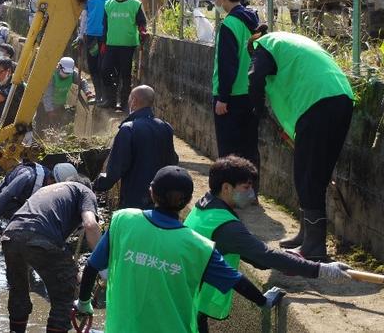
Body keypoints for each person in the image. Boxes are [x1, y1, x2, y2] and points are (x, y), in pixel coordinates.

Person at [77, 166, 285, 333]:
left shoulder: (124, 221)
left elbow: (92, 267)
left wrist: (84, 303)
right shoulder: (199, 246)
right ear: (187, 200)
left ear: (152, 191)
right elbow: (236, 280)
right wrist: (264, 301)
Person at [184, 155, 352, 332]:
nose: (251, 193)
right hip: (189, 303)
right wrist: (322, 270)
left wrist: (288, 262)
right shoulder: (225, 225)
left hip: (185, 292)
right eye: (246, 187)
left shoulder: (204, 207)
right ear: (226, 187)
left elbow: (253, 255)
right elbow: (264, 255)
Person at [249, 28, 354, 260]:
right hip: (341, 99)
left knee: (307, 175)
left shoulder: (263, 46)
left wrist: (256, 108)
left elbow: (255, 76)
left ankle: (314, 247)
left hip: (317, 103)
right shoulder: (290, 43)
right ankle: (307, 236)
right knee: (315, 174)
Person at [2, 174, 101, 333]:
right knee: (63, 300)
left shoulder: (48, 190)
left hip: (11, 235)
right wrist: (103, 267)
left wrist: (74, 275)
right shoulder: (85, 191)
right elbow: (90, 225)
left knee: (18, 293)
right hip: (39, 236)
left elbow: (56, 255)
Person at [209, 0, 261, 185]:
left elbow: (227, 65)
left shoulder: (230, 24)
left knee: (229, 151)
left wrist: (223, 97)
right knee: (249, 147)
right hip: (251, 93)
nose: (215, 4)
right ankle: (251, 191)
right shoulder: (254, 20)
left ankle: (229, 192)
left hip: (230, 98)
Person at [93, 85, 178, 209]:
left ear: (133, 101)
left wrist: (95, 185)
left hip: (134, 200)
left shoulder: (128, 129)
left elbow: (116, 169)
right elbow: (173, 161)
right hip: (160, 200)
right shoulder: (166, 127)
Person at [0, 162, 78, 234]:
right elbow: (5, 195)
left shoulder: (48, 184)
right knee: (29, 225)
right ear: (53, 180)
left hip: (21, 203)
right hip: (4, 200)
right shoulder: (28, 176)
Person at [100, 0, 148, 110]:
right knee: (105, 70)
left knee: (125, 73)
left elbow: (141, 22)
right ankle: (110, 99)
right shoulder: (108, 4)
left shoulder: (135, 4)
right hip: (111, 44)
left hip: (128, 45)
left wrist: (142, 31)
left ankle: (124, 103)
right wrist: (103, 42)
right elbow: (105, 26)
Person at [76, 0, 112, 103]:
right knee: (93, 66)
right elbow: (85, 16)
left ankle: (106, 96)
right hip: (91, 36)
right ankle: (98, 95)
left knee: (103, 66)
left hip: (105, 36)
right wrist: (81, 35)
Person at [40, 57, 94, 128]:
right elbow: (47, 95)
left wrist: (87, 92)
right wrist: (50, 111)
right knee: (41, 127)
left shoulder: (72, 74)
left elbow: (82, 81)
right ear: (59, 67)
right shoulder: (52, 76)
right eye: (65, 72)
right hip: (45, 107)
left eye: (68, 73)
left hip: (60, 105)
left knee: (61, 126)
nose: (66, 74)